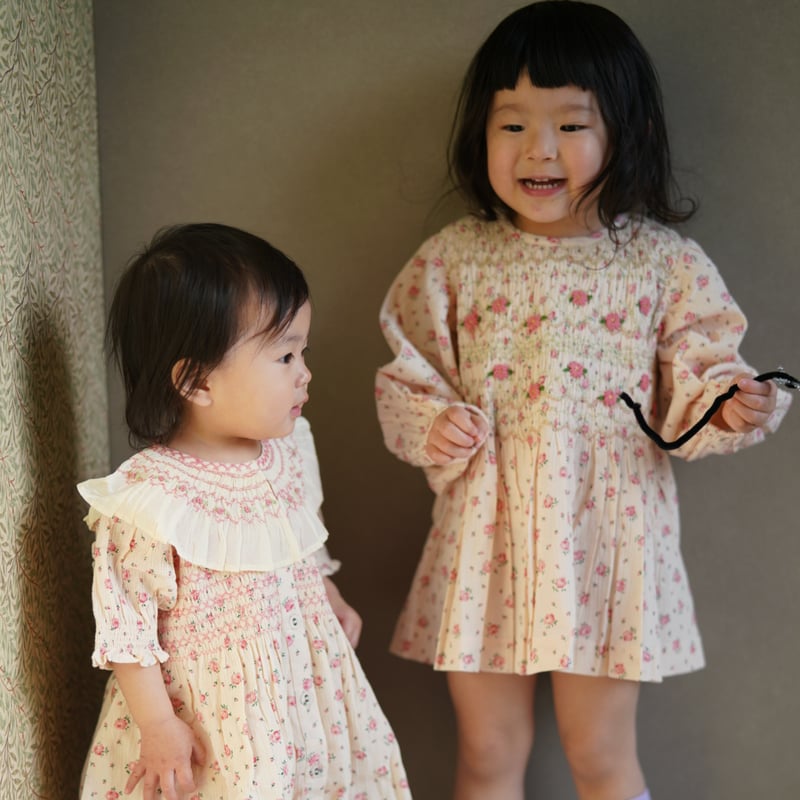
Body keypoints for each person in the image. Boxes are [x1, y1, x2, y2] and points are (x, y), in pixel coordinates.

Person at [374, 3, 792, 799]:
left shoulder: (663, 263)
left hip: (610, 538)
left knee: (600, 755)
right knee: (487, 753)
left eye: (570, 125)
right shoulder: (454, 259)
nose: (539, 149)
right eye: (513, 125)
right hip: (487, 535)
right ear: (481, 132)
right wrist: (436, 425)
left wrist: (732, 404)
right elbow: (409, 372)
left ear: (627, 132)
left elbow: (702, 376)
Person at [79, 223, 411, 799]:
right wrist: (158, 726)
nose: (305, 372)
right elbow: (126, 628)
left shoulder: (288, 452)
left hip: (302, 690)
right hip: (216, 722)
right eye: (284, 355)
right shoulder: (150, 498)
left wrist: (327, 596)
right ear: (196, 381)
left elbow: (298, 545)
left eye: (303, 352)